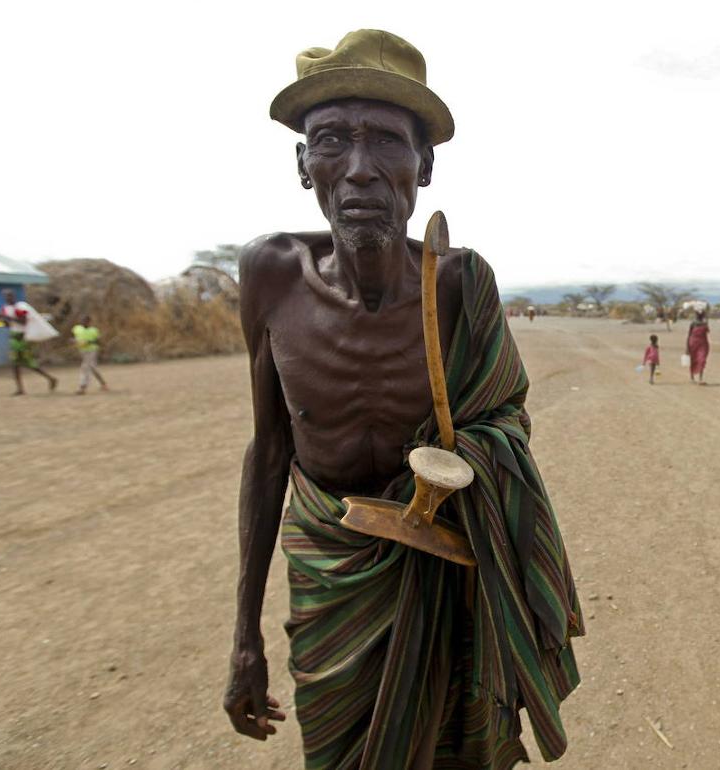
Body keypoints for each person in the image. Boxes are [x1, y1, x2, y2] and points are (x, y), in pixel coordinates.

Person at [224, 30, 583, 769]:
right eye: (330, 140)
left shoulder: (460, 286)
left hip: (444, 579)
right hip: (330, 577)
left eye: (386, 140)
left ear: (422, 168)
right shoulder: (270, 275)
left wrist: (467, 460)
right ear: (302, 165)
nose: (358, 170)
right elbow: (268, 454)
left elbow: (506, 417)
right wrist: (242, 635)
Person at [0, 289, 58, 395]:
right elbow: (8, 325)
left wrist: (4, 317)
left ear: (14, 296)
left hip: (22, 338)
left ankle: (50, 378)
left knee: (27, 362)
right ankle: (21, 388)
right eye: (6, 296)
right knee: (15, 364)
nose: (8, 298)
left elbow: (23, 322)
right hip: (13, 337)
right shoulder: (6, 309)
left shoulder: (20, 307)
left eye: (10, 296)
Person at [72, 315, 108, 395]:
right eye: (82, 321)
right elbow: (73, 338)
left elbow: (98, 342)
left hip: (91, 351)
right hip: (82, 351)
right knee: (92, 368)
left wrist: (89, 342)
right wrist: (74, 341)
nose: (83, 322)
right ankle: (103, 383)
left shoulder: (93, 330)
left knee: (85, 368)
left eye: (85, 321)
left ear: (89, 322)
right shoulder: (77, 329)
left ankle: (82, 387)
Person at [686, 308, 711, 384]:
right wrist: (687, 346)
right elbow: (689, 335)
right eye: (698, 314)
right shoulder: (693, 323)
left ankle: (700, 378)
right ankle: (692, 377)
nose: (699, 316)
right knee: (693, 360)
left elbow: (708, 331)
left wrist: (706, 322)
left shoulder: (705, 323)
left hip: (703, 343)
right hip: (693, 343)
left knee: (702, 360)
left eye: (701, 314)